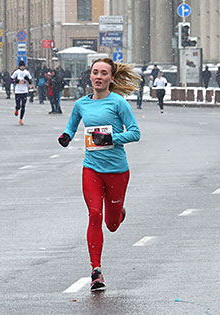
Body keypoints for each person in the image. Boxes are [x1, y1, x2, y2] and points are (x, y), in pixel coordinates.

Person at [57, 58, 141, 292]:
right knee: (94, 214)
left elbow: (135, 133)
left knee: (111, 224)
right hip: (91, 168)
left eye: (104, 73)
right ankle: (96, 270)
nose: (99, 76)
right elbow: (72, 126)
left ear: (111, 78)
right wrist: (65, 136)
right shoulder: (82, 104)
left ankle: (118, 211)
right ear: (90, 76)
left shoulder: (118, 103)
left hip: (117, 171)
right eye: (95, 72)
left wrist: (112, 138)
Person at [11, 60, 32, 125]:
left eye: (23, 66)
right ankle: (17, 109)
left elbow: (30, 81)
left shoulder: (27, 72)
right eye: (21, 66)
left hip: (24, 91)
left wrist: (27, 80)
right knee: (18, 105)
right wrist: (17, 81)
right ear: (19, 66)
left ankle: (21, 119)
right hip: (18, 91)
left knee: (23, 105)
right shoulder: (16, 72)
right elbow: (11, 80)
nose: (22, 67)